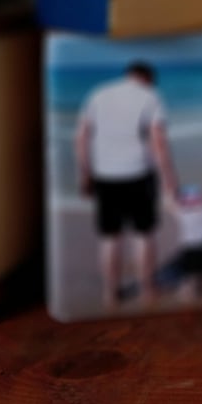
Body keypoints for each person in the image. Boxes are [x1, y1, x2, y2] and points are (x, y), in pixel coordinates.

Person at [75, 61, 179, 309]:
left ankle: (110, 293)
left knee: (110, 236)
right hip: (138, 173)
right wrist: (169, 180)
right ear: (148, 78)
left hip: (105, 175)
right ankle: (147, 289)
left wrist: (85, 173)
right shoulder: (150, 96)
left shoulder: (99, 94)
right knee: (143, 234)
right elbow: (158, 142)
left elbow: (82, 136)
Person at [166, 184, 202, 302]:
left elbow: (169, 204)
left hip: (189, 250)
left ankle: (187, 297)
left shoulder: (183, 213)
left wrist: (170, 188)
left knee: (189, 279)